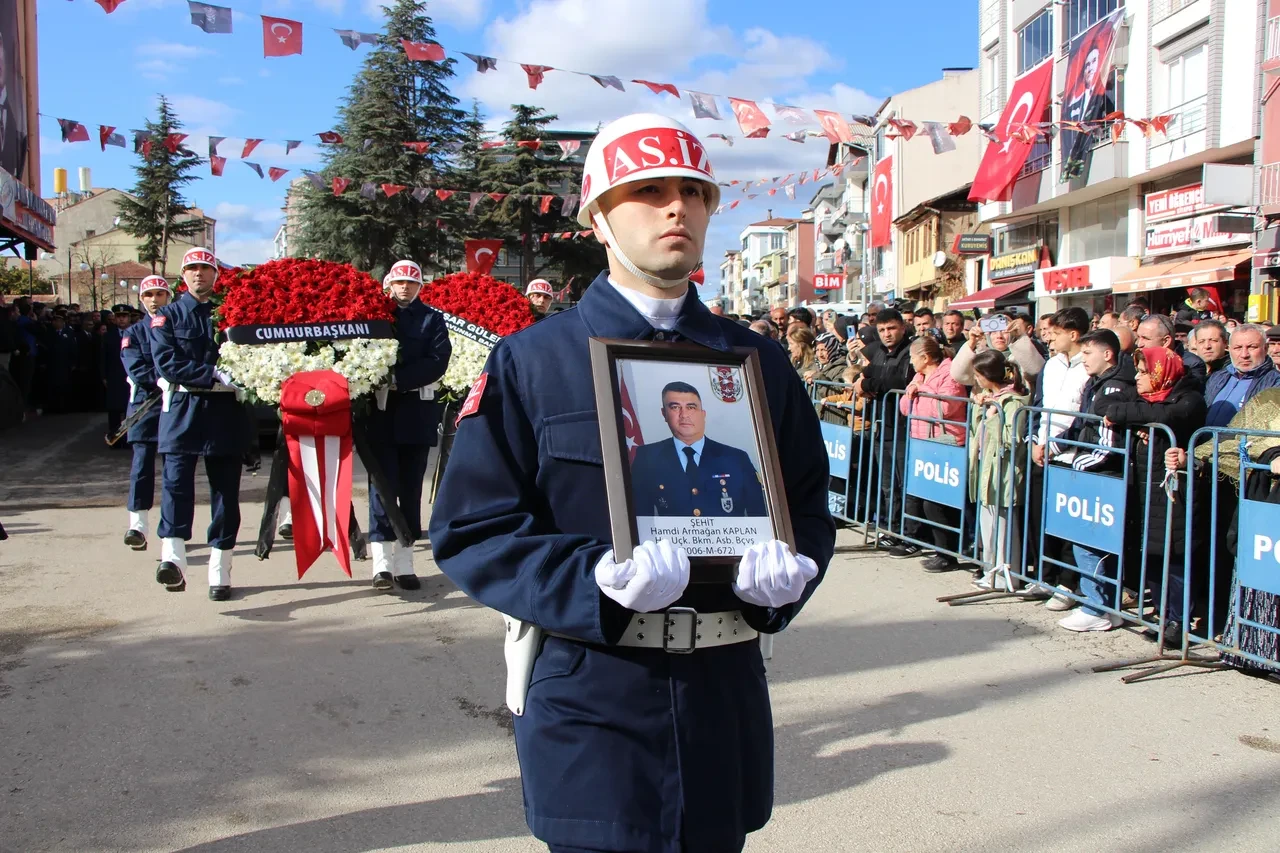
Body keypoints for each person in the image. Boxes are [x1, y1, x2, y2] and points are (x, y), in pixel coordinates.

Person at [427, 112, 834, 853]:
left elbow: (807, 505)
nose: (677, 206)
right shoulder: (532, 363)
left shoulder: (758, 365)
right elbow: (472, 529)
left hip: (723, 698)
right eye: (647, 190)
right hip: (593, 698)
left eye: (694, 191)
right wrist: (594, 582)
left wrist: (791, 575)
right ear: (599, 219)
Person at [150, 248, 250, 601]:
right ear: (182, 274)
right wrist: (212, 373)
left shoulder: (232, 313)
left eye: (205, 269)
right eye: (192, 269)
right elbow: (166, 363)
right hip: (183, 410)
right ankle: (173, 558)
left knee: (225, 492)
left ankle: (220, 569)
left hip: (224, 413)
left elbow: (251, 351)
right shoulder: (168, 315)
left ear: (216, 274)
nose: (198, 275)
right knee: (176, 485)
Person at [1094, 346, 1206, 648]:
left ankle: (1179, 622)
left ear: (1161, 373)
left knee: (1176, 556)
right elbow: (1103, 403)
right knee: (1153, 553)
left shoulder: (1189, 398)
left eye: (1144, 372)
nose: (1138, 378)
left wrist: (1130, 418)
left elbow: (1171, 415)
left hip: (1175, 492)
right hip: (1146, 488)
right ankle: (1160, 613)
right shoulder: (1146, 398)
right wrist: (1139, 418)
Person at [367, 260, 452, 592]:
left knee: (411, 490)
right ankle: (382, 566)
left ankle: (405, 564)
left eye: (411, 283)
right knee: (381, 489)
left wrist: (397, 379)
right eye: (399, 282)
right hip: (381, 414)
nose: (405, 287)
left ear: (420, 287)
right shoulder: (376, 316)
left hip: (416, 413)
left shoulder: (432, 319)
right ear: (390, 283)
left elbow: (437, 360)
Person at [1055, 329, 1137, 632]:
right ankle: (1104, 606)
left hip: (1103, 474)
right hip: (1096, 472)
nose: (1083, 358)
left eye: (1088, 353)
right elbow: (1081, 425)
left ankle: (1096, 607)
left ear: (1108, 354)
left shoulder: (1114, 387)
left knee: (1090, 543)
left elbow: (1107, 444)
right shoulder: (1096, 382)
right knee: (1089, 542)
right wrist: (1053, 444)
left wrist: (1078, 465)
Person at [630, 381, 767, 519]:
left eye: (691, 407)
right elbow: (640, 519)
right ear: (664, 413)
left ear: (703, 414)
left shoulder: (736, 459)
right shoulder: (647, 457)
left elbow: (761, 518)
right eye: (675, 407)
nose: (684, 415)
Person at [899, 335, 967, 572]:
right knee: (924, 499)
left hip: (946, 443)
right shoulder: (919, 376)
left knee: (937, 503)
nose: (910, 363)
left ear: (925, 357)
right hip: (923, 443)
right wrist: (914, 390)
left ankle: (947, 553)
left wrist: (922, 391)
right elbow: (905, 408)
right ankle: (939, 550)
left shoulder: (950, 374)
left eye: (912, 357)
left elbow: (945, 407)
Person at [968, 349, 1031, 591]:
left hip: (1004, 468)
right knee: (988, 523)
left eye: (978, 375)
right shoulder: (989, 397)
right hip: (986, 465)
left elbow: (1011, 439)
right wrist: (979, 409)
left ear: (987, 375)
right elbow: (977, 431)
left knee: (1003, 524)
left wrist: (994, 415)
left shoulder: (1012, 402)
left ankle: (1006, 574)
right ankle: (989, 569)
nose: (976, 380)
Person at [120, 275, 171, 551]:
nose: (154, 300)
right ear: (142, 299)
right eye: (149, 295)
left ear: (168, 297)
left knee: (175, 470)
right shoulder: (133, 333)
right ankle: (137, 525)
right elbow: (136, 368)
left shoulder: (175, 327)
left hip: (174, 404)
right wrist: (163, 378)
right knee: (142, 467)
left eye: (159, 294)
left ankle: (170, 528)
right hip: (145, 406)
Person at [101, 306, 132, 442]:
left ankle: (129, 438)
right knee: (114, 409)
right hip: (114, 376)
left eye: (124, 316)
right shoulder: (108, 336)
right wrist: (103, 376)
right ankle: (114, 438)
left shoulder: (135, 333)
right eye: (118, 316)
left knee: (130, 409)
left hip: (131, 376)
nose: (121, 319)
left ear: (129, 318)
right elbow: (102, 357)